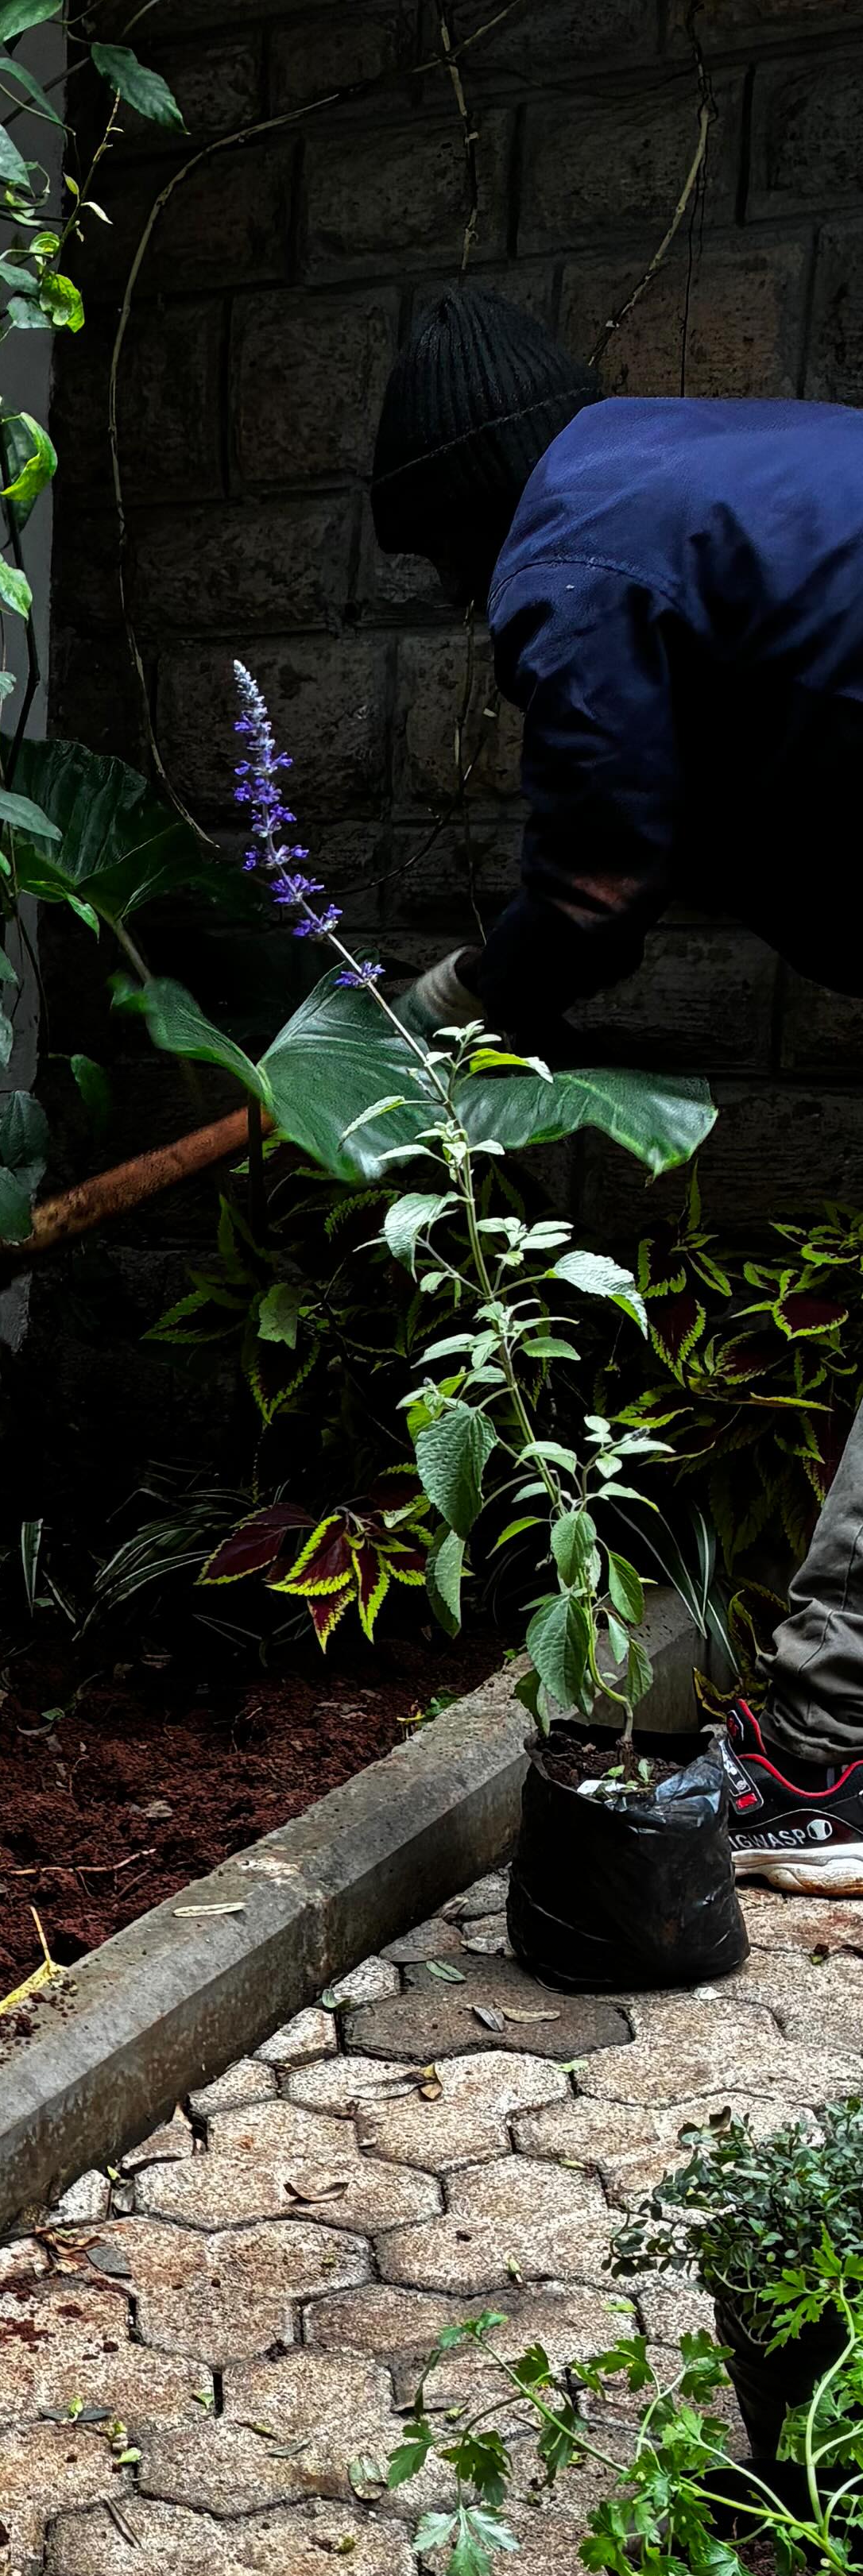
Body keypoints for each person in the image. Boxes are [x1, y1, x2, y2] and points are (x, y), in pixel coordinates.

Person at [368, 286, 863, 1891]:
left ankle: (822, 1762)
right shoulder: (702, 467)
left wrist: (446, 1006)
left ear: (473, 497)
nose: (466, 599)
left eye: (447, 560)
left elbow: (597, 884)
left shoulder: (571, 544)